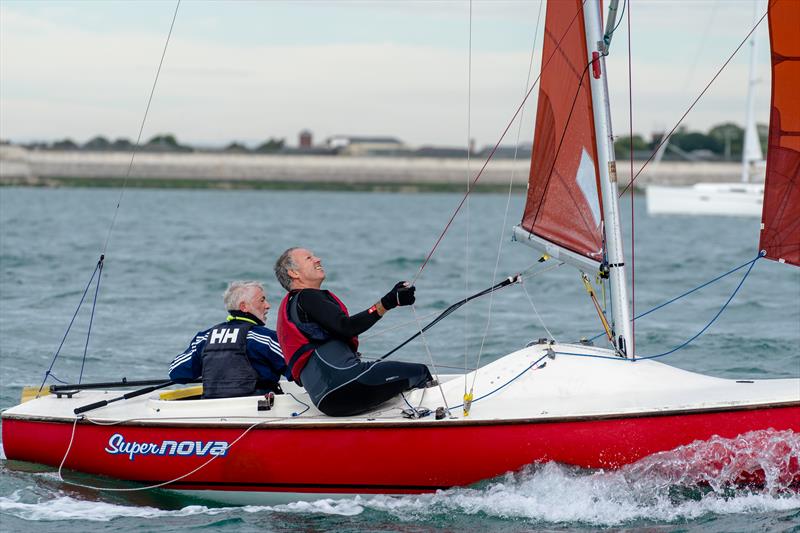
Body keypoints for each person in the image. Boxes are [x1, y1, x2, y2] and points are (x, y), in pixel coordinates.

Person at [274, 247, 432, 416]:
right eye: (308, 258)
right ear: (294, 273)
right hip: (346, 384)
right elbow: (347, 327)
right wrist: (388, 301)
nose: (317, 259)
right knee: (419, 372)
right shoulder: (307, 297)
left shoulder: (294, 306)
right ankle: (435, 419)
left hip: (326, 399)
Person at [169, 281, 290, 399]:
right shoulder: (265, 338)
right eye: (262, 300)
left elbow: (176, 372)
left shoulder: (204, 338)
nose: (267, 305)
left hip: (211, 410)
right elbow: (297, 368)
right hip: (257, 409)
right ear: (244, 307)